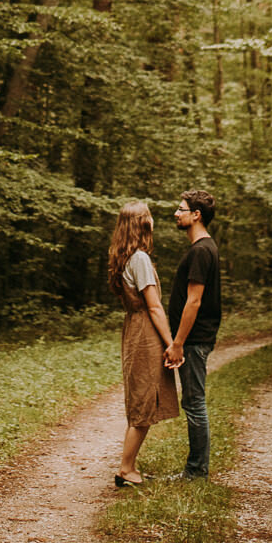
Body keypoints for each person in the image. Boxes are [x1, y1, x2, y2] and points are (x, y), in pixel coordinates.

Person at [107, 200, 178, 487]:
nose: (154, 220)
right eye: (149, 216)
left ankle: (130, 465)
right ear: (143, 224)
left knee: (142, 397)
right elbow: (155, 307)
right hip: (144, 333)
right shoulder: (140, 260)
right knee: (144, 399)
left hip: (133, 329)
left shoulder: (123, 257)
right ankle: (125, 468)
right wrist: (172, 343)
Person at [162, 189, 221, 480]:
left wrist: (178, 343)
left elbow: (194, 301)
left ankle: (197, 471)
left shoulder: (200, 251)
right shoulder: (205, 248)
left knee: (194, 401)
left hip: (194, 340)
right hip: (196, 338)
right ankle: (196, 468)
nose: (176, 213)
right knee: (193, 401)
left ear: (196, 215)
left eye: (181, 209)